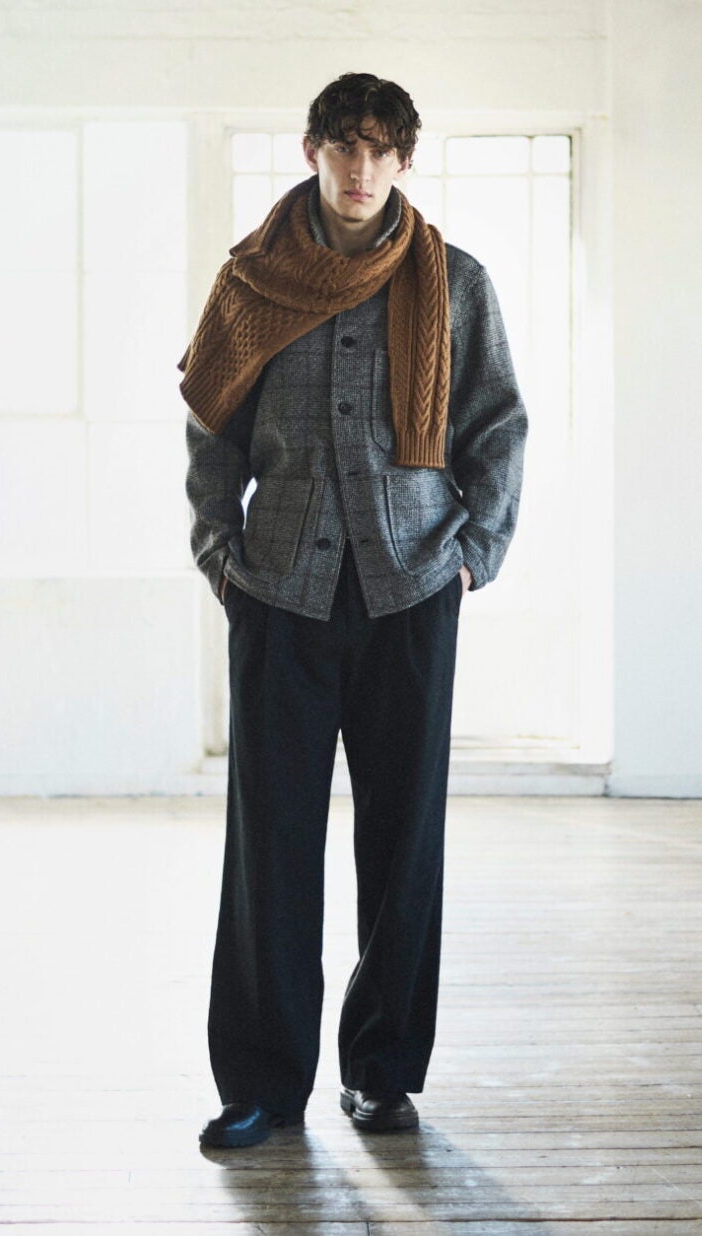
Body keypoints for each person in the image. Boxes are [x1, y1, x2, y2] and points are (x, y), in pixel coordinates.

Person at [179, 71, 528, 1149]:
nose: (361, 169)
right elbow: (210, 429)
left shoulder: (454, 283)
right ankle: (261, 1084)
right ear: (312, 151)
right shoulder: (249, 283)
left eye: (382, 150)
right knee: (270, 845)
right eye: (344, 146)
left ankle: (381, 1072)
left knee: (402, 838)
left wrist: (472, 555)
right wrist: (219, 554)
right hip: (279, 592)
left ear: (404, 160)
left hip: (410, 590)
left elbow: (497, 426)